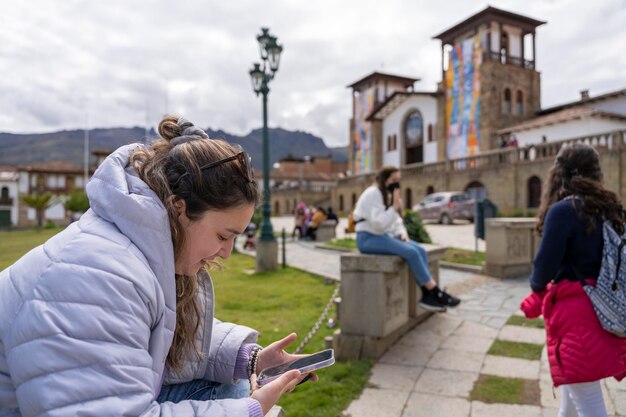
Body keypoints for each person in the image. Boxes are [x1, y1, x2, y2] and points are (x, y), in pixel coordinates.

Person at [0, 116, 315, 416]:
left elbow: (150, 336)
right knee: (236, 397)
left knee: (232, 389)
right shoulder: (99, 277)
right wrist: (250, 410)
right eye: (223, 235)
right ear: (179, 209)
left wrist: (249, 359)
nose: (227, 253)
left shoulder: (133, 249)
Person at [520, 143, 626, 417]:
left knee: (590, 407)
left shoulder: (563, 212)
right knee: (571, 402)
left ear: (559, 174)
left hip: (578, 320)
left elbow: (541, 274)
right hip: (608, 313)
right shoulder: (611, 209)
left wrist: (536, 290)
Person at [352, 166, 461, 312]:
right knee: (411, 253)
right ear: (385, 180)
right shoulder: (373, 193)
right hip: (368, 238)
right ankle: (436, 293)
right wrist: (395, 207)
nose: (397, 184)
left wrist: (402, 233)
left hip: (382, 236)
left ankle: (427, 295)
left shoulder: (387, 194)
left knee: (420, 250)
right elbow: (378, 224)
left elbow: (396, 221)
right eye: (393, 180)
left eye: (398, 180)